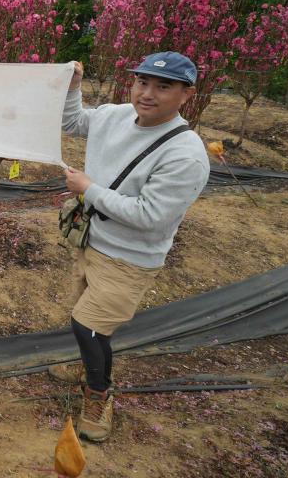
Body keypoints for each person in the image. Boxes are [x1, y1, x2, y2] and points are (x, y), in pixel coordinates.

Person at [50, 51, 210, 442]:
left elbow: (148, 215)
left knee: (87, 325)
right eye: (142, 82)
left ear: (186, 94)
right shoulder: (117, 115)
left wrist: (88, 189)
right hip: (93, 241)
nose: (148, 93)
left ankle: (99, 394)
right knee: (88, 318)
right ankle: (89, 370)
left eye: (163, 86)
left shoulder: (185, 154)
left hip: (130, 258)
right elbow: (72, 121)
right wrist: (73, 87)